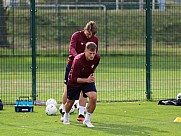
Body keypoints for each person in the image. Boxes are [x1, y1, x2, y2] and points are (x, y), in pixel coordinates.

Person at [59, 21, 98, 122]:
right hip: (73, 64)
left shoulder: (94, 39)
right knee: (68, 87)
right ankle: (64, 112)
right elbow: (71, 48)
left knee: (84, 89)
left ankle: (81, 113)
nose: (90, 36)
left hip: (86, 67)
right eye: (89, 33)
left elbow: (95, 53)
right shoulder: (76, 35)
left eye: (92, 34)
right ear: (85, 29)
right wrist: (78, 58)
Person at [63, 42, 100, 127]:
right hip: (74, 82)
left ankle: (87, 120)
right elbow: (73, 79)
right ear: (85, 51)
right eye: (90, 53)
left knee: (93, 97)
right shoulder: (78, 60)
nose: (92, 56)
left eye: (94, 53)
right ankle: (66, 115)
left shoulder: (97, 58)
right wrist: (86, 80)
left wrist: (90, 75)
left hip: (87, 79)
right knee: (70, 103)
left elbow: (93, 67)